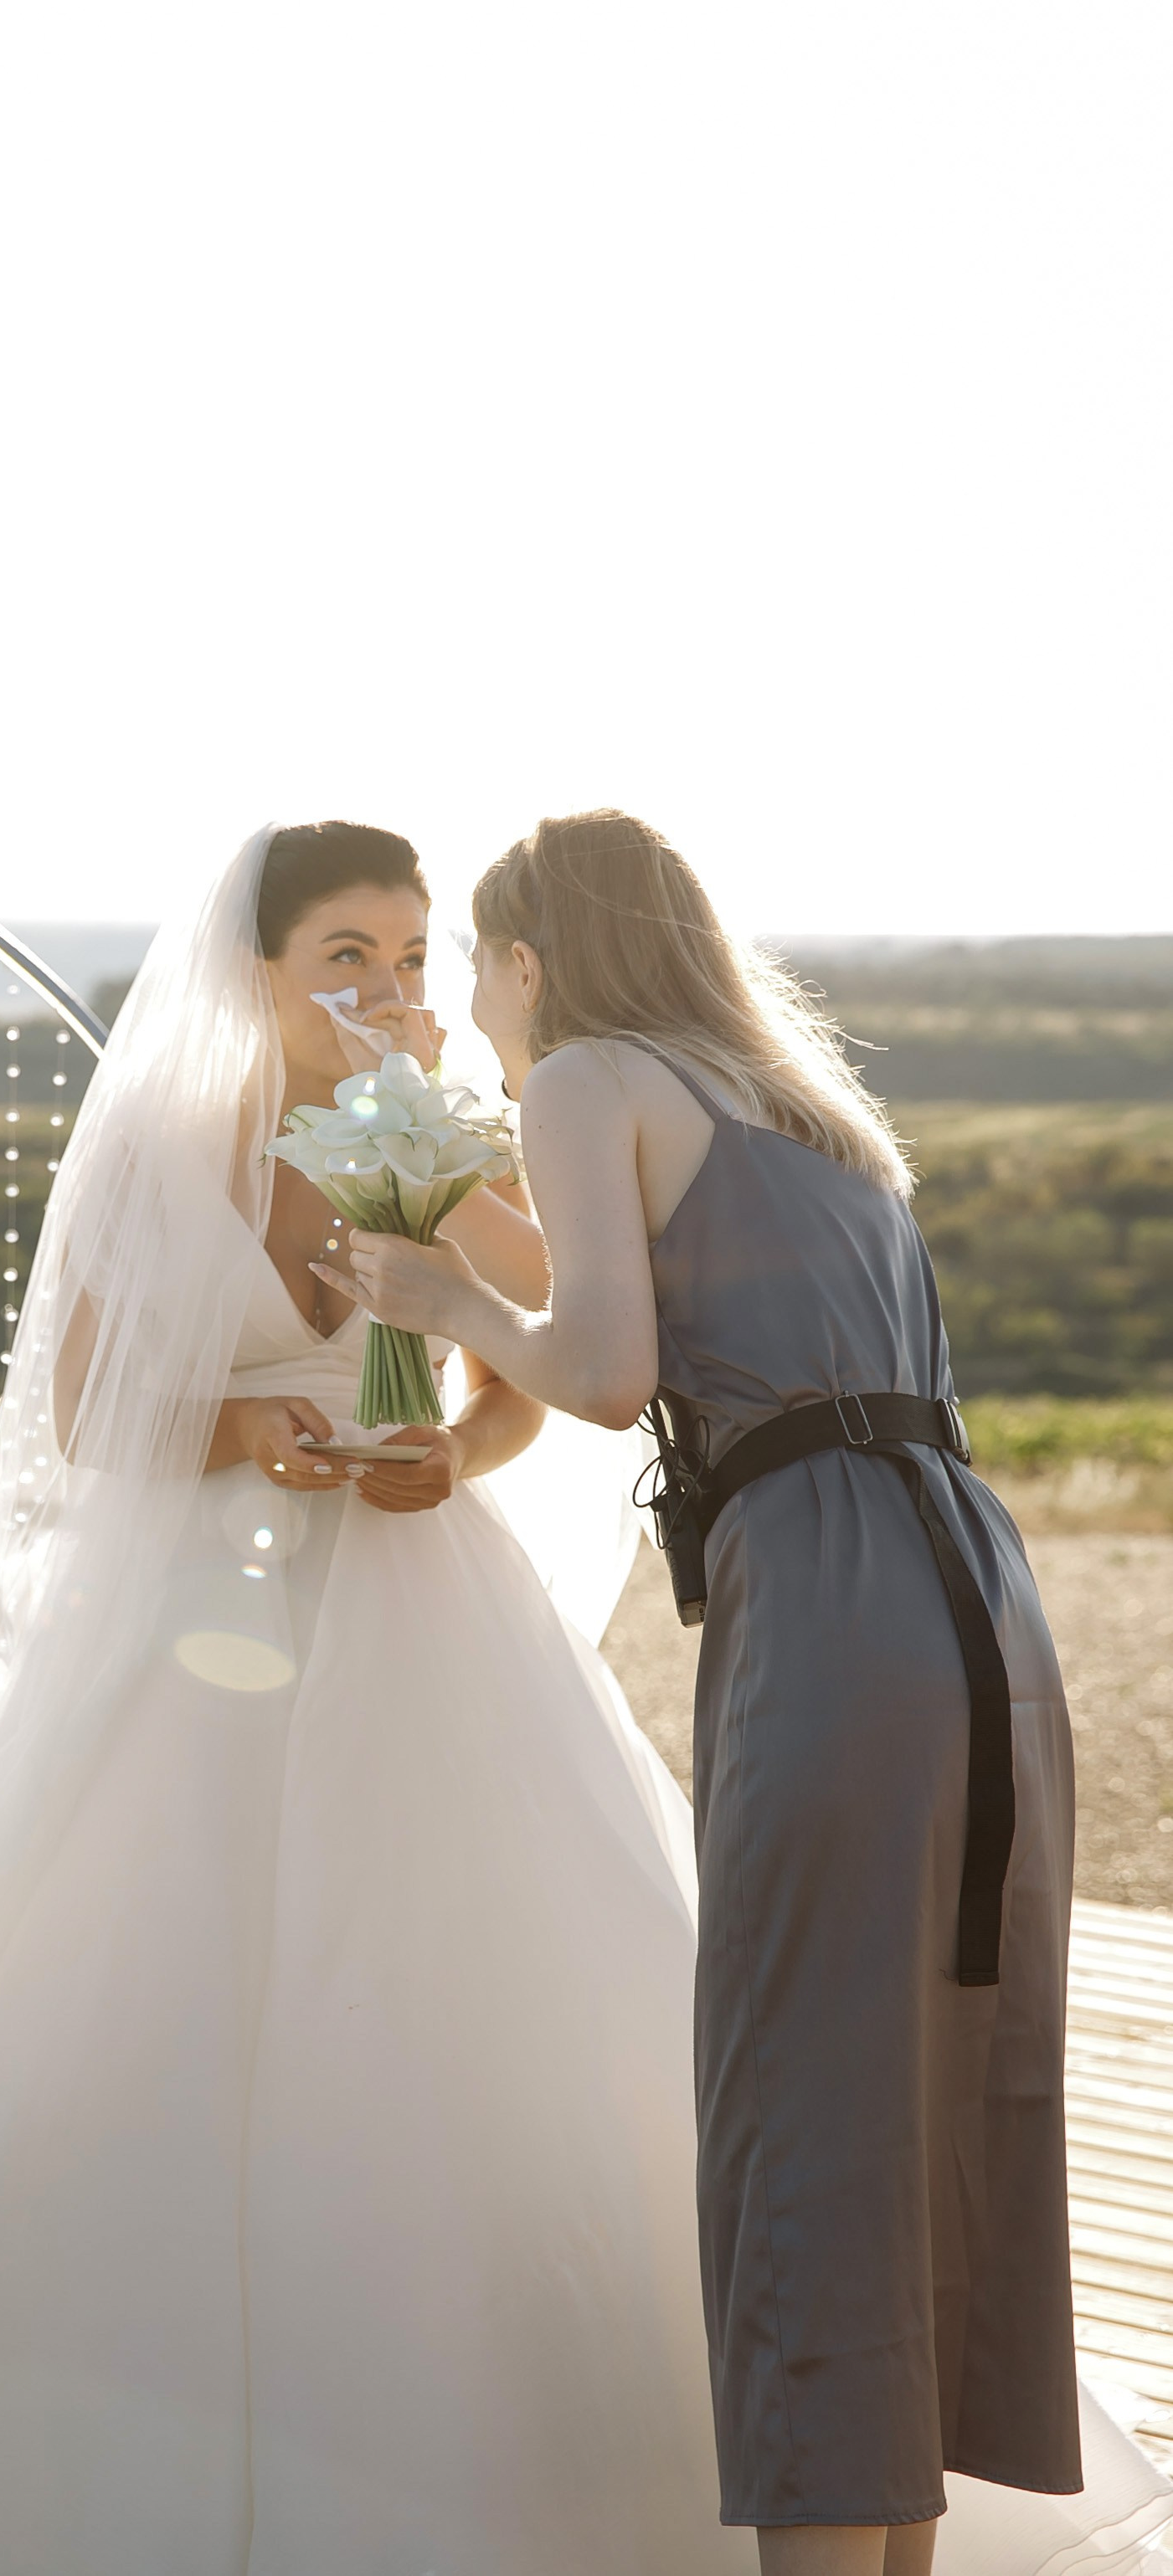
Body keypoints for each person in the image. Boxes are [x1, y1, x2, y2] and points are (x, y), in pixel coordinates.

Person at [0, 822, 757, 2574]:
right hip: (211, 1617)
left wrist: (458, 1438)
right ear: (261, 970)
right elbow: (74, 1407)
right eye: (345, 955)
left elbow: (543, 1351)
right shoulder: (163, 1140)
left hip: (426, 1606)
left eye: (415, 955)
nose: (386, 991)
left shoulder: (434, 1131)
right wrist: (241, 1427)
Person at [328, 808, 1173, 2575]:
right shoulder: (798, 1102)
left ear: (535, 955)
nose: (472, 1002)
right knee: (929, 2093)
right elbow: (673, 1280)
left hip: (834, 1607)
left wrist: (438, 1291)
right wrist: (424, 1160)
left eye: (475, 964)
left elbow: (607, 1364)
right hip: (976, 1596)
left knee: (800, 2116)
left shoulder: (586, 1077)